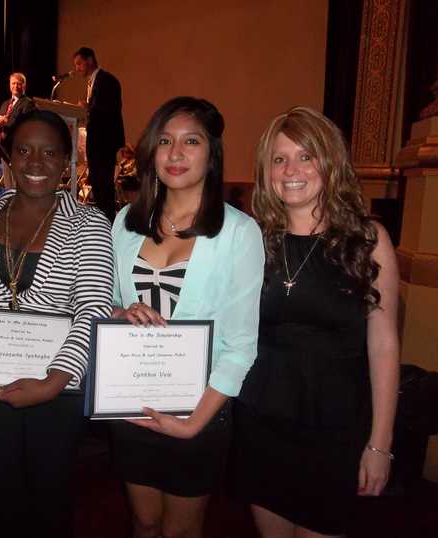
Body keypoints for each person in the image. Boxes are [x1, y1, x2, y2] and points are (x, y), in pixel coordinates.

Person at [235, 106, 400, 537]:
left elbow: (384, 347)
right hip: (262, 420)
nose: (291, 169)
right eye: (278, 159)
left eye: (305, 156)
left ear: (330, 162)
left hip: (337, 427)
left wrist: (380, 444)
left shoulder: (368, 240)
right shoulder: (253, 241)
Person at [110, 97, 264, 538]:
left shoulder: (238, 231)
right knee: (144, 522)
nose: (175, 154)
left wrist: (193, 423)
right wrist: (122, 312)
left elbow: (240, 346)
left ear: (211, 154)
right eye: (164, 141)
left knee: (180, 531)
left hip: (200, 408)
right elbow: (104, 304)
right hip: (132, 403)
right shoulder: (125, 221)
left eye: (190, 141)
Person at [0, 109, 114, 537]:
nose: (35, 162)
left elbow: (93, 307)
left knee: (50, 504)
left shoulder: (89, 223)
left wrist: (54, 380)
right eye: (24, 150)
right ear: (9, 156)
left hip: (56, 390)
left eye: (50, 152)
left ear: (67, 161)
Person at [73, 46, 124, 222]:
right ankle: (101, 222)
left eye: (79, 64)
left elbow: (109, 109)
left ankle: (107, 224)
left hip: (104, 141)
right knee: (98, 184)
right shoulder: (92, 82)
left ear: (90, 60)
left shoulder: (107, 80)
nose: (77, 68)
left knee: (104, 186)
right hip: (96, 140)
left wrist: (88, 109)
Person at [0, 71, 36, 143]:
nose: (15, 86)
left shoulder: (29, 103)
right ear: (10, 85)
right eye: (13, 83)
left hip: (17, 144)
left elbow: (27, 126)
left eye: (19, 84)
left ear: (24, 86)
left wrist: (7, 122)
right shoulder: (5, 103)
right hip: (2, 146)